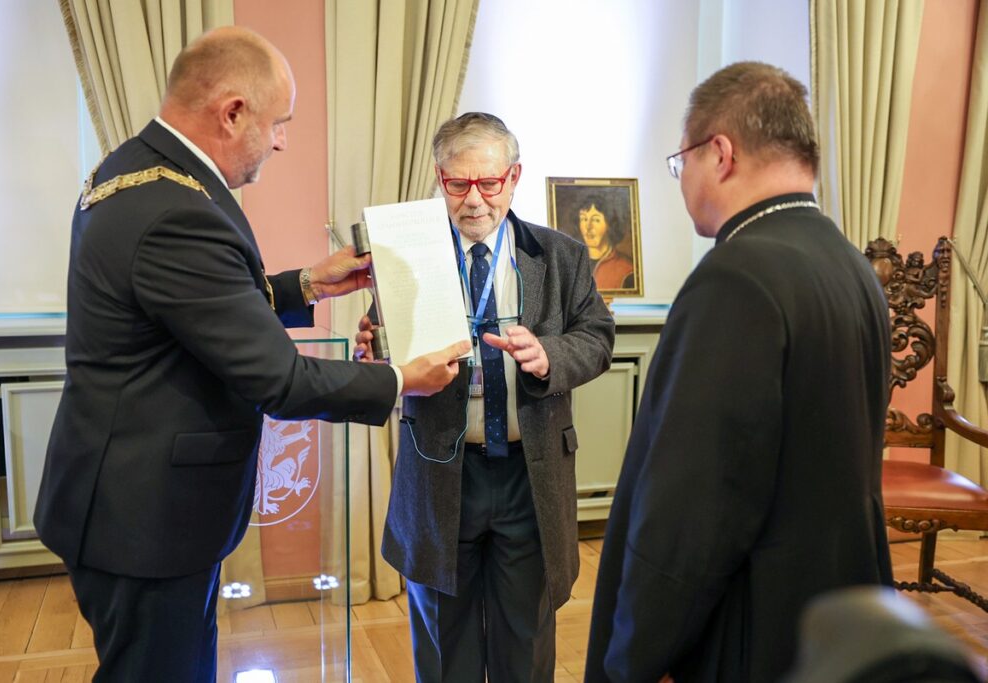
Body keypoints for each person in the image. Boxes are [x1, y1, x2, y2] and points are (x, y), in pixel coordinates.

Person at [33, 26, 468, 683]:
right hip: (147, 519)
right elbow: (279, 379)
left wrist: (307, 284)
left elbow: (194, 309)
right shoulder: (178, 209)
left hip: (127, 498)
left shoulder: (134, 171)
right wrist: (401, 378)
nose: (283, 140)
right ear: (232, 112)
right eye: (278, 123)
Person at [584, 61, 893, 682]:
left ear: (719, 153)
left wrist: (634, 655)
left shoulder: (736, 277)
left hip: (754, 626)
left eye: (681, 162)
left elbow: (692, 509)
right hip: (838, 610)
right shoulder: (849, 262)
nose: (682, 179)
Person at [354, 112, 615, 682]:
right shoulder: (408, 259)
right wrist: (371, 352)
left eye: (488, 183)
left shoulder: (560, 254)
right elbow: (384, 347)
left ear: (513, 177)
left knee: (525, 641)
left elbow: (597, 338)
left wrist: (549, 357)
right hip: (441, 473)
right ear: (439, 179)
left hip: (530, 475)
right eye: (457, 184)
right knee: (446, 648)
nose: (474, 200)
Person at [576, 192, 635, 289]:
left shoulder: (626, 270)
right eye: (584, 219)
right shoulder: (571, 263)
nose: (588, 227)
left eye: (596, 220)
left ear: (610, 224)